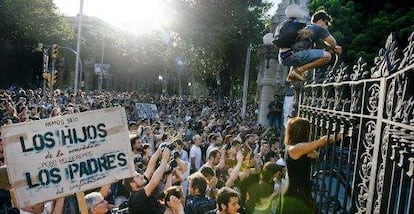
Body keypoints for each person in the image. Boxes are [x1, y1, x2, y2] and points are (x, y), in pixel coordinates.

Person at [279, 117, 341, 213]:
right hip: (296, 194)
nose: (311, 132)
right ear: (302, 132)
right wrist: (344, 134)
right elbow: (323, 140)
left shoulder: (297, 148)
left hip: (301, 191)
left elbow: (315, 155)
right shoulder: (296, 148)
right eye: (309, 129)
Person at [278, 5, 342, 82]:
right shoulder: (318, 28)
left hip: (283, 57)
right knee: (327, 57)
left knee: (312, 55)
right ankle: (298, 71)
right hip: (293, 55)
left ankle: (291, 76)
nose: (327, 26)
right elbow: (333, 42)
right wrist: (335, 47)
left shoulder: (307, 28)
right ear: (321, 21)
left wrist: (330, 49)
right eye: (326, 23)